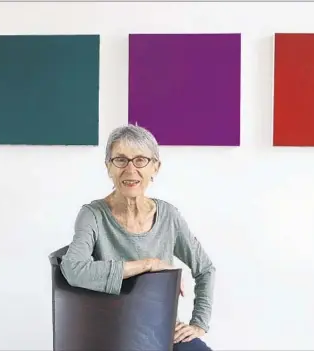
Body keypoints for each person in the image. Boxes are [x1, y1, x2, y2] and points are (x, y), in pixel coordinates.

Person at [60, 124, 215, 351]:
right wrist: (148, 265)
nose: (130, 170)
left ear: (155, 167)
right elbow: (73, 269)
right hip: (113, 332)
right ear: (108, 167)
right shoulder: (92, 215)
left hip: (160, 330)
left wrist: (199, 323)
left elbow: (205, 269)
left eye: (140, 160)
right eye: (120, 160)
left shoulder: (169, 216)